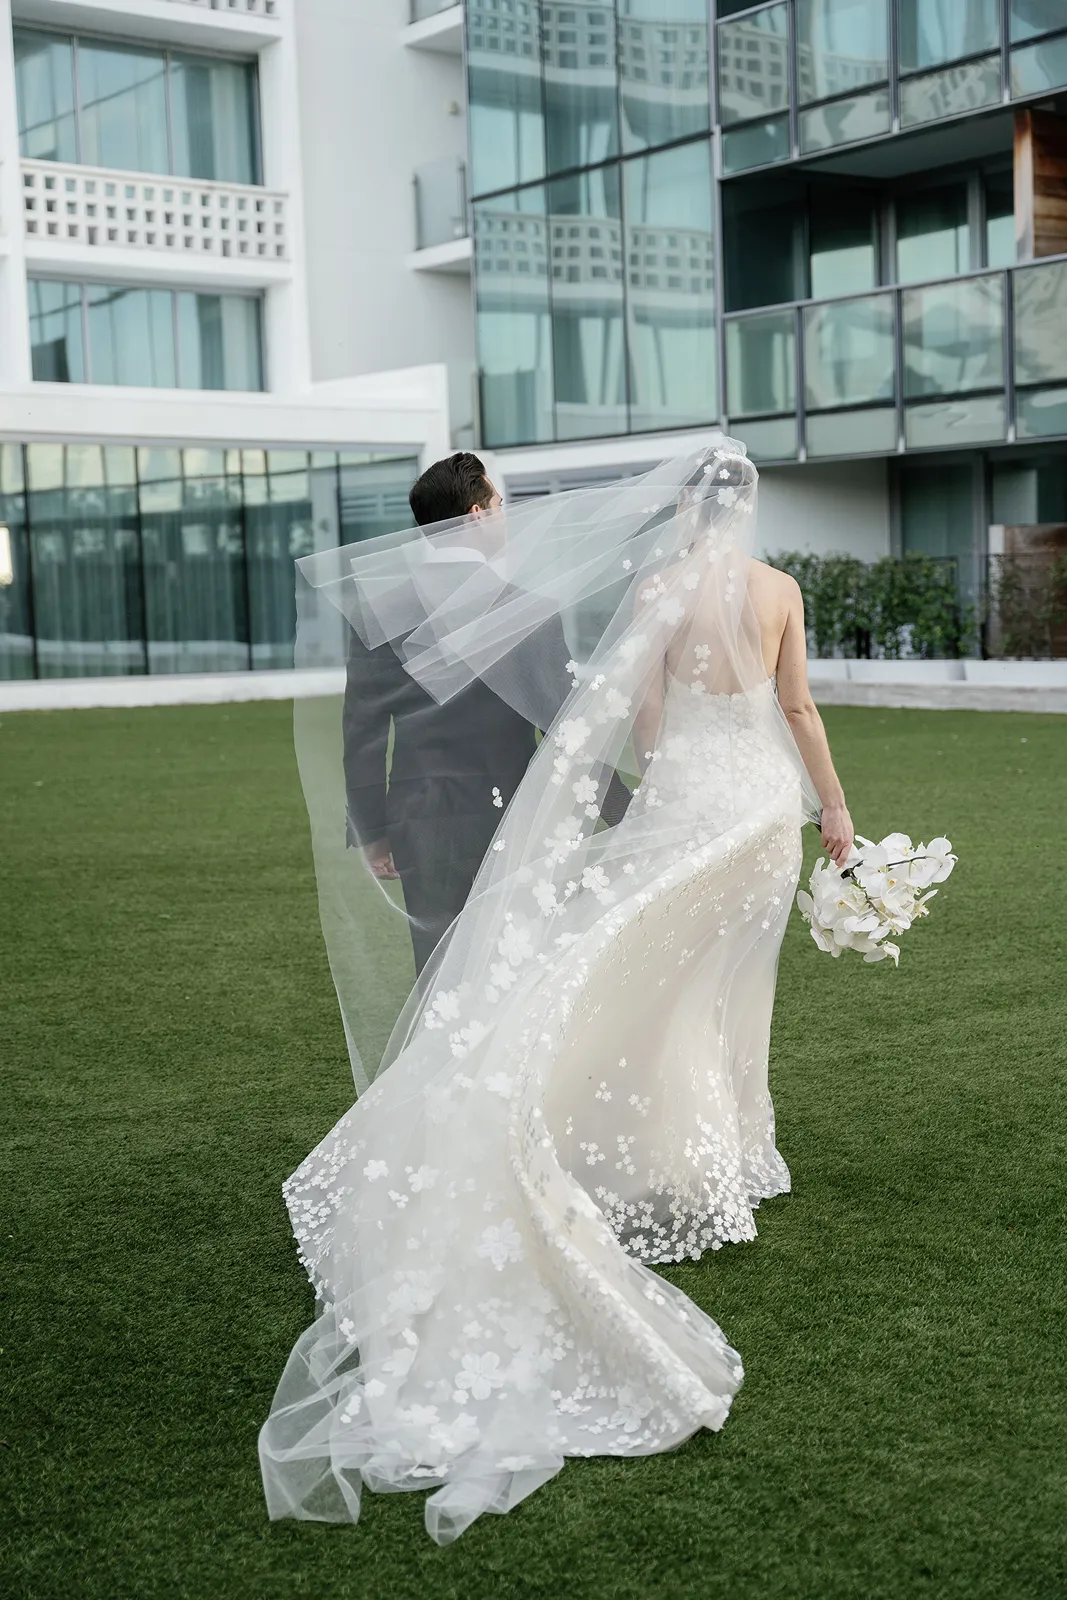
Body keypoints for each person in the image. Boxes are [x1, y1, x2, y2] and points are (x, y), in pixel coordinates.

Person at [261, 441, 854, 1543]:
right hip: (694, 806)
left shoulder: (617, 590)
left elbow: (604, 710)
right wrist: (815, 808)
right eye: (501, 498)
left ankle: (501, 1104)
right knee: (663, 987)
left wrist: (648, 788)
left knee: (540, 978)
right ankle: (622, 1127)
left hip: (578, 805)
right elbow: (775, 709)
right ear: (479, 506)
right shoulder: (764, 592)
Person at [341, 451, 627, 975]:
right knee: (512, 969)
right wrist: (627, 811)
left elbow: (361, 729)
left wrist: (372, 829)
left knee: (438, 974)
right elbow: (567, 726)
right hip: (510, 818)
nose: (505, 514)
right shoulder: (528, 609)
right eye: (500, 503)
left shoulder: (378, 612)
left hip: (418, 818)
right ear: (476, 514)